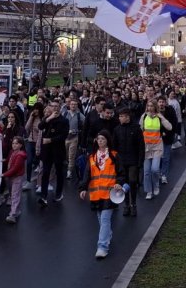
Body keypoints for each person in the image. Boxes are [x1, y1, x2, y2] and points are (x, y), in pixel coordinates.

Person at [78, 130, 127, 259]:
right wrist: (83, 188)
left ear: (107, 141)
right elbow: (87, 174)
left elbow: (121, 173)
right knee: (100, 219)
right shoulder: (92, 157)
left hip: (110, 194)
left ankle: (102, 247)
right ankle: (108, 235)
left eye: (103, 139)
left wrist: (119, 182)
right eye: (98, 139)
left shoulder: (114, 156)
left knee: (105, 219)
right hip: (95, 194)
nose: (100, 141)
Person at [111, 107, 144, 217]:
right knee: (123, 183)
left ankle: (133, 204)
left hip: (133, 160)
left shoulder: (136, 129)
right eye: (119, 116)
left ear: (127, 117)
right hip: (121, 161)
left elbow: (141, 146)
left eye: (121, 116)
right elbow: (114, 147)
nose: (119, 118)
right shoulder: (117, 129)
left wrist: (140, 162)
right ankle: (126, 204)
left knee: (132, 181)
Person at [37, 101, 70, 207]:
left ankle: (59, 193)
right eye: (53, 106)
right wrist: (48, 118)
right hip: (47, 151)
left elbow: (63, 135)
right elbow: (40, 127)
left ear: (60, 108)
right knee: (45, 172)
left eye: (57, 106)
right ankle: (43, 196)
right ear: (50, 107)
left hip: (58, 150)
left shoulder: (64, 120)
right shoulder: (47, 118)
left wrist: (50, 140)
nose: (55, 108)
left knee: (59, 172)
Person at [140, 100, 171, 200]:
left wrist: (161, 117)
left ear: (155, 107)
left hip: (157, 147)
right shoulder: (144, 116)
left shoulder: (159, 116)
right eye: (148, 106)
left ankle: (156, 185)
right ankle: (149, 191)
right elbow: (139, 130)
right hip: (146, 147)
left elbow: (169, 127)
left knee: (154, 169)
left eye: (152, 106)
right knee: (146, 172)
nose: (150, 108)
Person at [2, 136, 27, 224]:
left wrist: (4, 174)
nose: (14, 145)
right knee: (12, 194)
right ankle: (16, 210)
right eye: (13, 143)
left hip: (16, 177)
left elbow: (15, 168)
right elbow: (9, 160)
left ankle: (13, 214)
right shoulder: (12, 152)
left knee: (15, 195)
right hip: (10, 176)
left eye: (16, 143)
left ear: (20, 145)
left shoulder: (20, 155)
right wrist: (4, 161)